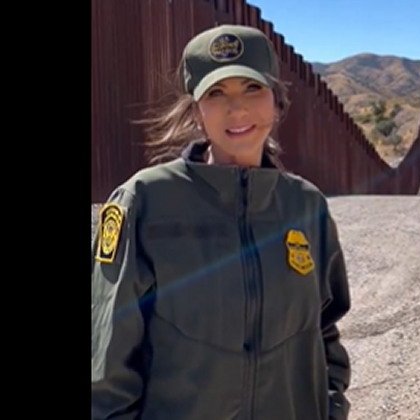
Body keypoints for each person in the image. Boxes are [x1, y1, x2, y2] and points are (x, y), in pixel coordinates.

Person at [91, 24, 351, 420]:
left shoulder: (305, 206)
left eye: (252, 88)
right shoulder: (145, 201)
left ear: (276, 101)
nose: (237, 109)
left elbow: (325, 330)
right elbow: (106, 360)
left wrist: (331, 407)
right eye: (216, 93)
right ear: (196, 109)